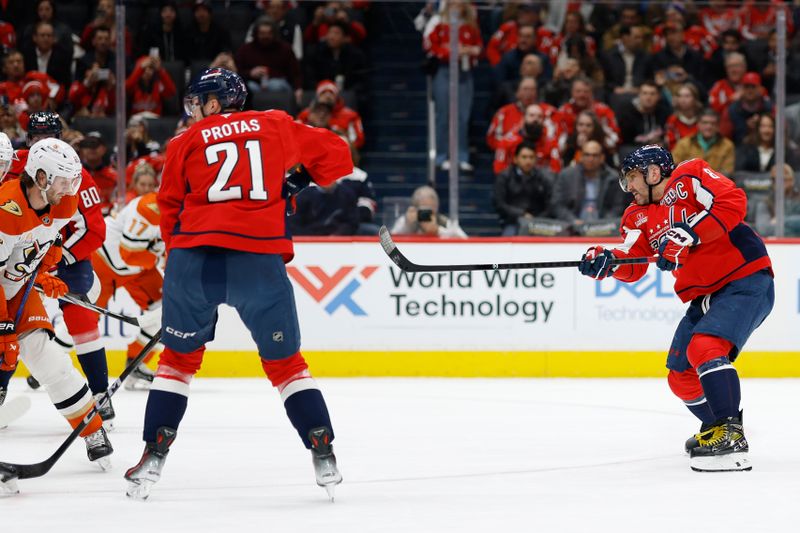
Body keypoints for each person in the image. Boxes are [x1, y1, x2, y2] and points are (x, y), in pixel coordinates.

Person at [124, 68, 352, 501]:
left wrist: (179, 271)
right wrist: (296, 180)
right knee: (287, 367)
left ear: (213, 104)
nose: (194, 112)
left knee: (176, 362)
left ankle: (153, 456)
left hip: (195, 258)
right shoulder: (275, 124)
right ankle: (323, 450)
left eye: (198, 104)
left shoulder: (182, 142)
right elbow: (339, 154)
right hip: (259, 259)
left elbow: (169, 209)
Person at [578, 144, 774, 471]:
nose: (630, 187)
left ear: (654, 172)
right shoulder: (635, 215)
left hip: (745, 277)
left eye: (633, 178)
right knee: (681, 377)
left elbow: (734, 202)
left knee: (705, 346)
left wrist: (691, 233)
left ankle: (731, 434)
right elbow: (635, 262)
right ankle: (717, 426)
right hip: (705, 294)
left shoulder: (690, 176)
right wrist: (609, 262)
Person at [0, 136, 113, 476]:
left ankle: (93, 431)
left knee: (47, 358)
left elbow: (46, 241)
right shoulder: (7, 210)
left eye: (71, 180)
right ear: (41, 177)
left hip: (16, 287)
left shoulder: (63, 203)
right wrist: (3, 327)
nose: (69, 188)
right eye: (63, 180)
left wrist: (44, 269)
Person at [92, 185, 163, 391]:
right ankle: (48, 367)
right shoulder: (149, 207)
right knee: (83, 321)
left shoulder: (190, 212)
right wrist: (162, 256)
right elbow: (130, 253)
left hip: (138, 268)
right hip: (103, 261)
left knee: (168, 309)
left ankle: (136, 365)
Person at [551, 140, 627, 234]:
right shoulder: (567, 176)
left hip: (604, 228)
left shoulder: (613, 178)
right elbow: (557, 204)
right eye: (587, 155)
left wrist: (603, 223)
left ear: (602, 158)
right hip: (572, 228)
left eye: (595, 155)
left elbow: (617, 207)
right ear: (581, 157)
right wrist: (573, 220)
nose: (590, 159)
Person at [493, 141, 552, 236]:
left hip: (539, 223)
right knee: (509, 237)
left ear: (536, 159)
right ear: (515, 159)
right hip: (512, 222)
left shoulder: (543, 178)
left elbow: (550, 203)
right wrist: (521, 215)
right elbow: (499, 203)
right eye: (524, 157)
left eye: (531, 157)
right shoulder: (504, 177)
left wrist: (537, 219)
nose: (528, 161)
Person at [672, 108, 734, 176]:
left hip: (715, 184)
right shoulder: (684, 143)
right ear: (698, 124)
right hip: (687, 182)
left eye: (713, 123)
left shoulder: (727, 145)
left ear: (718, 126)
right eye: (705, 123)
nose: (709, 126)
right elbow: (674, 165)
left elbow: (727, 171)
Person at [391, 185, 467, 238]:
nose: (427, 213)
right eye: (423, 207)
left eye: (431, 208)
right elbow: (393, 239)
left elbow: (464, 240)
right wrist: (407, 225)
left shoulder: (444, 222)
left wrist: (437, 231)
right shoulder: (405, 221)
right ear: (415, 207)